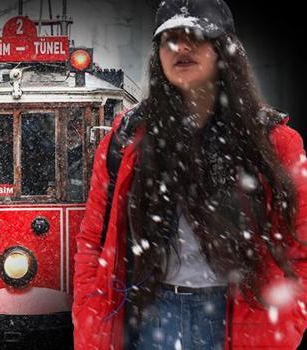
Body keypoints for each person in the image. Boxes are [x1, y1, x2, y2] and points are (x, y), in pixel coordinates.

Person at [72, 1, 307, 349]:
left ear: (224, 49)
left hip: (241, 320)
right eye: (169, 38)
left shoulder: (276, 144)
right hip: (148, 316)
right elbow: (93, 242)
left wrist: (285, 324)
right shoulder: (124, 142)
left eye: (196, 35)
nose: (181, 47)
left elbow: (300, 249)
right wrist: (91, 320)